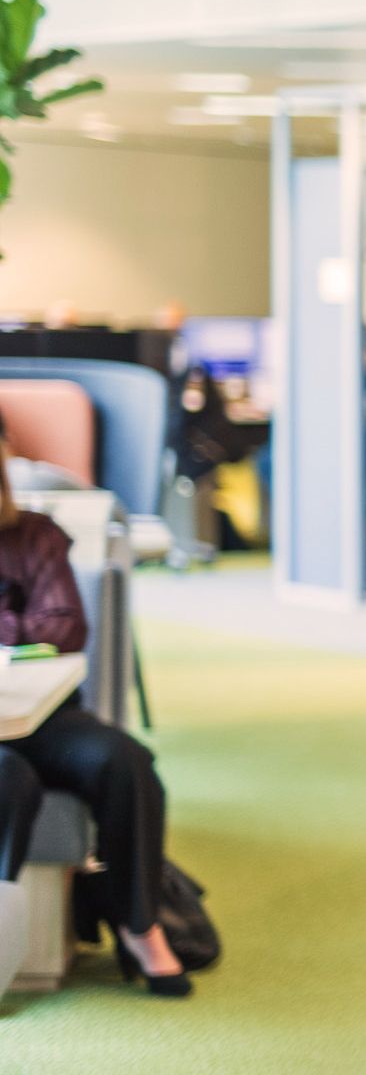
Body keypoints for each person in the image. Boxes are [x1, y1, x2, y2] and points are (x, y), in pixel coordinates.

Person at [0, 415, 188, 996]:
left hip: (40, 712)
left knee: (124, 761)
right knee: (11, 778)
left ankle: (140, 925)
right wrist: (15, 624)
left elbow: (63, 626)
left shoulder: (34, 535)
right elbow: (35, 627)